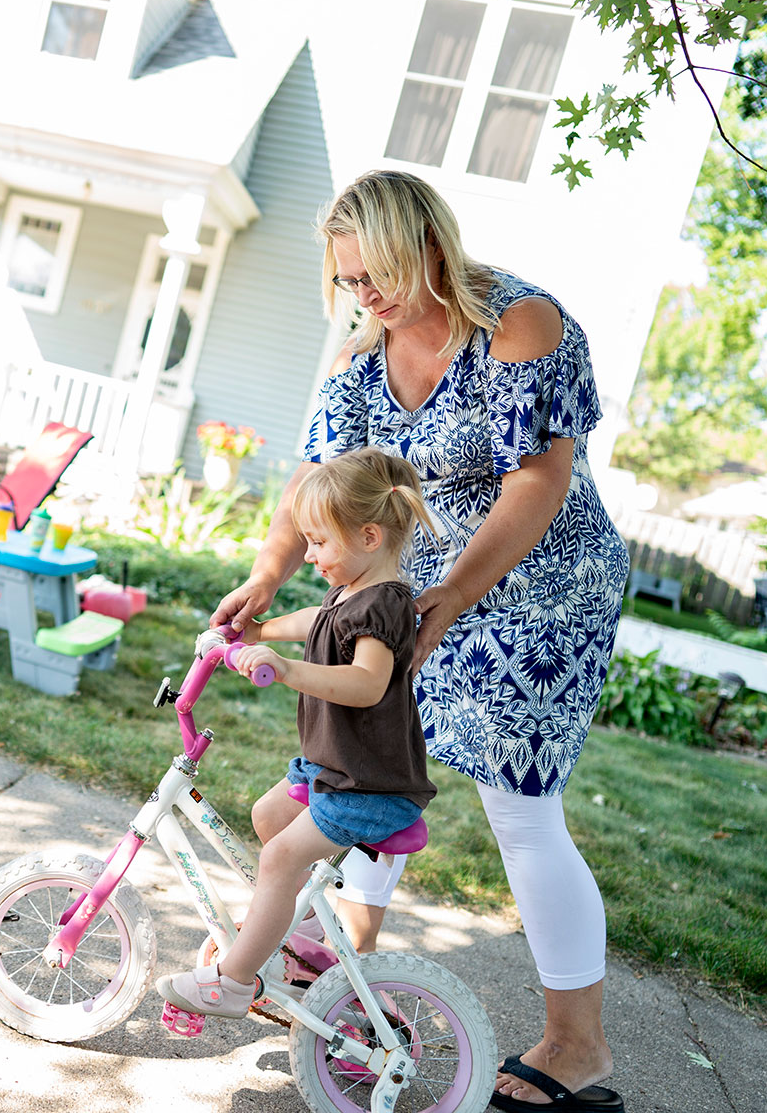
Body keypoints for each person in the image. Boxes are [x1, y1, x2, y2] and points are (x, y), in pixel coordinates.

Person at [211, 170, 629, 1113]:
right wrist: (269, 577)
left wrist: (444, 600)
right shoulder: (363, 360)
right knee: (368, 761)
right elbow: (317, 484)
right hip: (419, 590)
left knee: (520, 809)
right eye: (351, 283)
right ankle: (351, 970)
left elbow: (536, 481)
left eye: (378, 275)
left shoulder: (522, 325)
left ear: (429, 244)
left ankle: (578, 1045)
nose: (366, 297)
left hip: (544, 593)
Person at [157, 448, 439, 1023]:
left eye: (318, 543)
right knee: (269, 817)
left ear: (366, 536)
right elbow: (316, 619)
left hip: (371, 786)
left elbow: (365, 684)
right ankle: (304, 928)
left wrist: (284, 669)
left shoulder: (385, 604)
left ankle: (233, 983)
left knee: (280, 858)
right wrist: (259, 629)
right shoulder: (353, 591)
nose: (308, 555)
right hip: (335, 770)